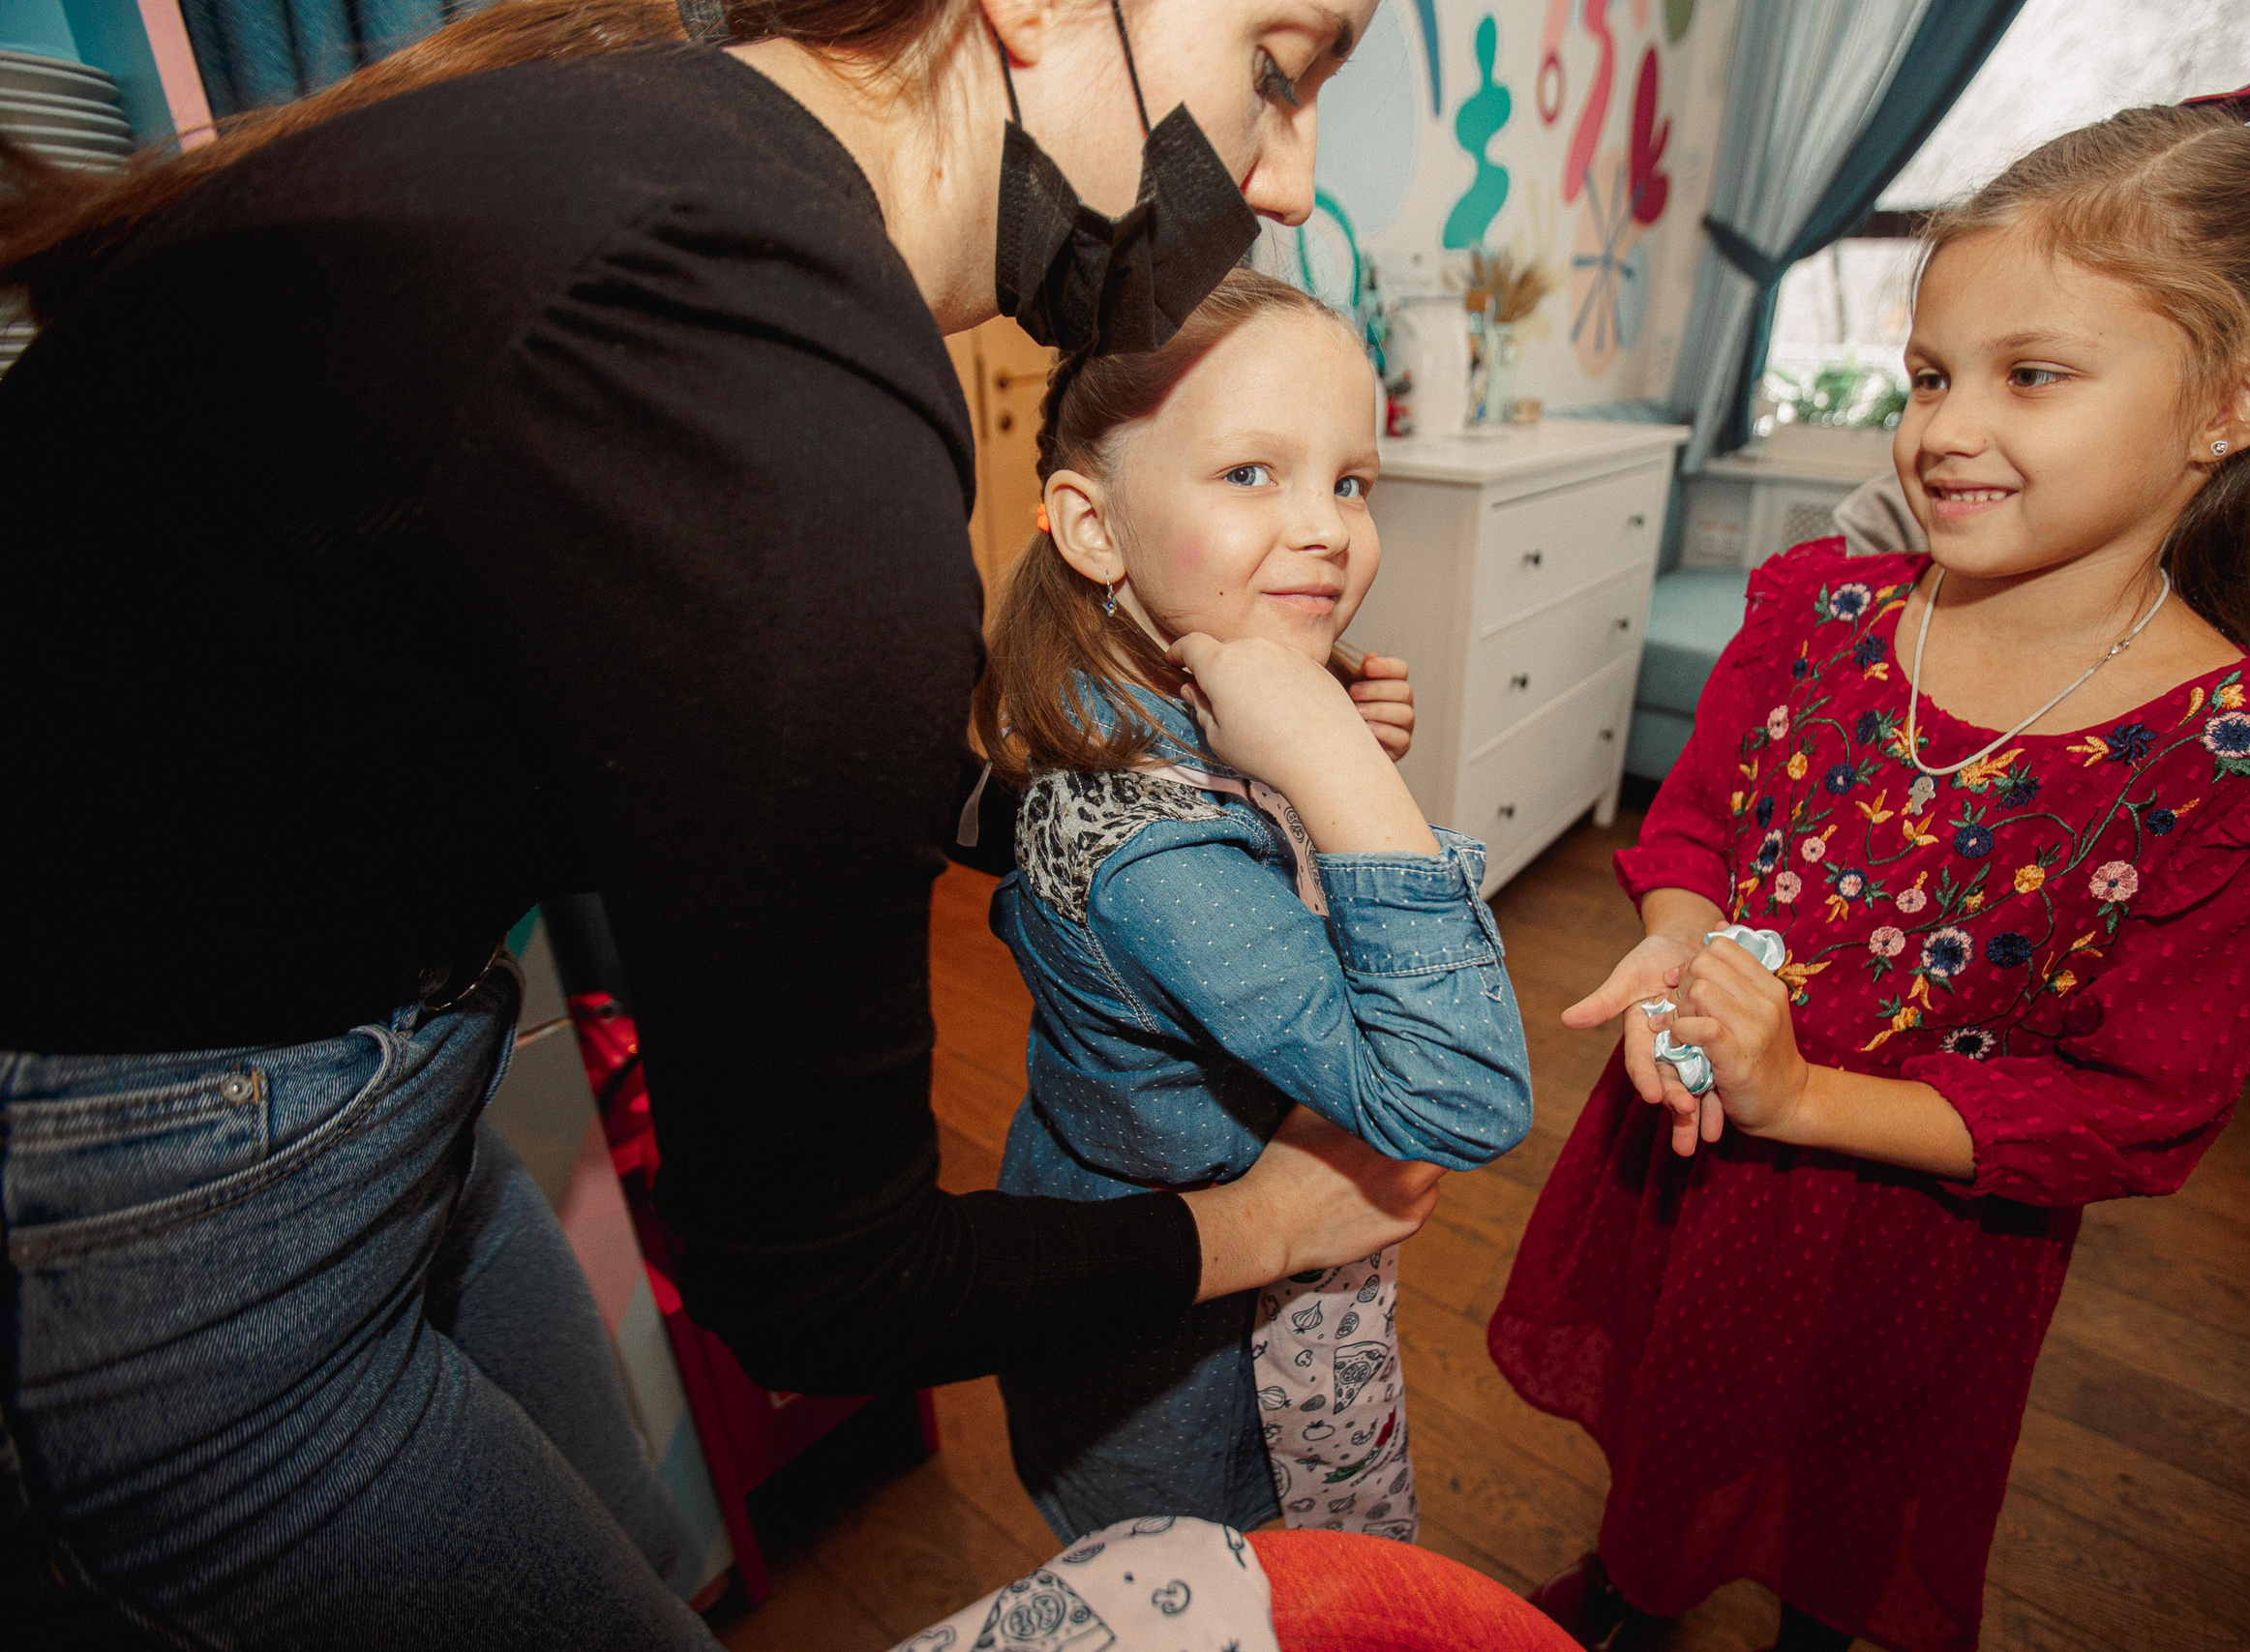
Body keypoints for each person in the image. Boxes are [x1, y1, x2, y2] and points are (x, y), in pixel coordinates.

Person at [0, 2, 1468, 1646]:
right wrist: (1262, 1222)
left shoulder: (679, 164)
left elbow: (732, 726)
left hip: (381, 1084)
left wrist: (1109, 799)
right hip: (163, 1206)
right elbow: (822, 1288)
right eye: (1277, 72)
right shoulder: (772, 375)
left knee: (622, 1547)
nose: (1284, 178)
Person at [1489, 91, 2250, 1652]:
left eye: (2030, 376)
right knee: (1674, 1431)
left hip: (1917, 1250)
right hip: (1698, 1172)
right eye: (1928, 375)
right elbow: (1701, 821)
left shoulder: (2232, 766)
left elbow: (2140, 1105)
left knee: (1847, 1498)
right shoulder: (1814, 616)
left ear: (2235, 402)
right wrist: (1684, 932)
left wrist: (1806, 1102)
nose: (1941, 429)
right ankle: (1635, 1604)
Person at [968, 268, 1530, 1541]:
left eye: (1349, 481)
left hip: (1160, 1243)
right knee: (1217, 1592)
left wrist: (1309, 745)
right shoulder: (1160, 863)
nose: (1330, 527)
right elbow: (1463, 1096)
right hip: (1180, 1364)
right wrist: (1333, 771)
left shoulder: (1157, 694)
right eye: (1250, 475)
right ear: (1094, 526)